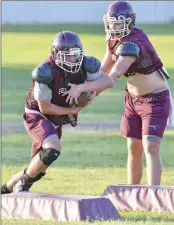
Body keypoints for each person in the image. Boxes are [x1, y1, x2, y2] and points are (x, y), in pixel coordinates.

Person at [63, 1, 174, 185]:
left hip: (155, 99)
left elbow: (113, 77)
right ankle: (133, 193)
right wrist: (90, 91)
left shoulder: (133, 44)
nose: (112, 27)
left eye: (117, 23)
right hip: (132, 98)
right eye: (110, 22)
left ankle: (153, 195)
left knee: (151, 147)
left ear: (129, 23)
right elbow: (106, 67)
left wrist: (82, 88)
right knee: (133, 147)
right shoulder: (113, 39)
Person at [1, 31, 101, 194]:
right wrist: (73, 109)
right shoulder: (45, 71)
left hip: (55, 118)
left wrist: (85, 89)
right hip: (38, 115)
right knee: (52, 149)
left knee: (39, 166)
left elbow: (108, 81)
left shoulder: (86, 64)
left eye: (74, 55)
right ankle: (23, 185)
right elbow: (45, 107)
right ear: (55, 55)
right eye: (66, 55)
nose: (72, 59)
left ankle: (5, 188)